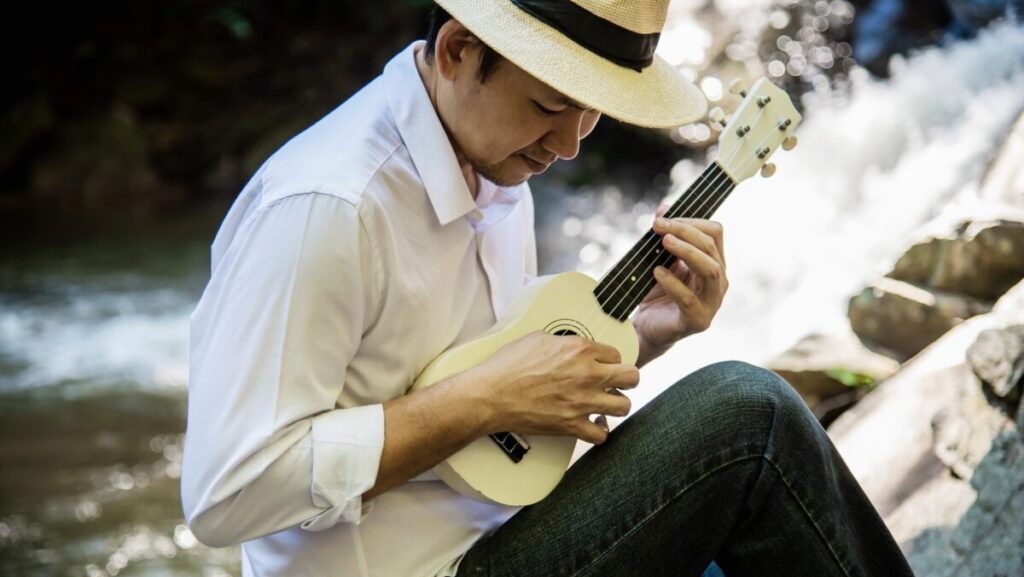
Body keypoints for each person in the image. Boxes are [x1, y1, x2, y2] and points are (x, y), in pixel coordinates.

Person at [180, 1, 916, 576]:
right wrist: (483, 399)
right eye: (549, 105)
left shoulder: (496, 166)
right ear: (459, 50)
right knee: (748, 418)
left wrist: (641, 335)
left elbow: (497, 429)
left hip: (504, 533)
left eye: (591, 110)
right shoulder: (328, 208)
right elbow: (225, 491)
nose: (568, 145)